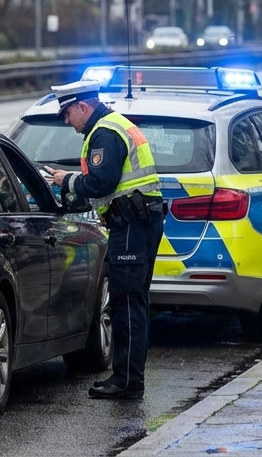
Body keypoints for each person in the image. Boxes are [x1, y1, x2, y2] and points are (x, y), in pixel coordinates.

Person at [47, 80, 165, 400]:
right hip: (137, 223)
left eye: (68, 112)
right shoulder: (111, 126)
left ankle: (126, 380)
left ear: (83, 106)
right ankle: (129, 378)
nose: (66, 120)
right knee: (132, 303)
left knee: (126, 305)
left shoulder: (105, 132)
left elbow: (101, 182)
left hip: (131, 225)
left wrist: (66, 180)